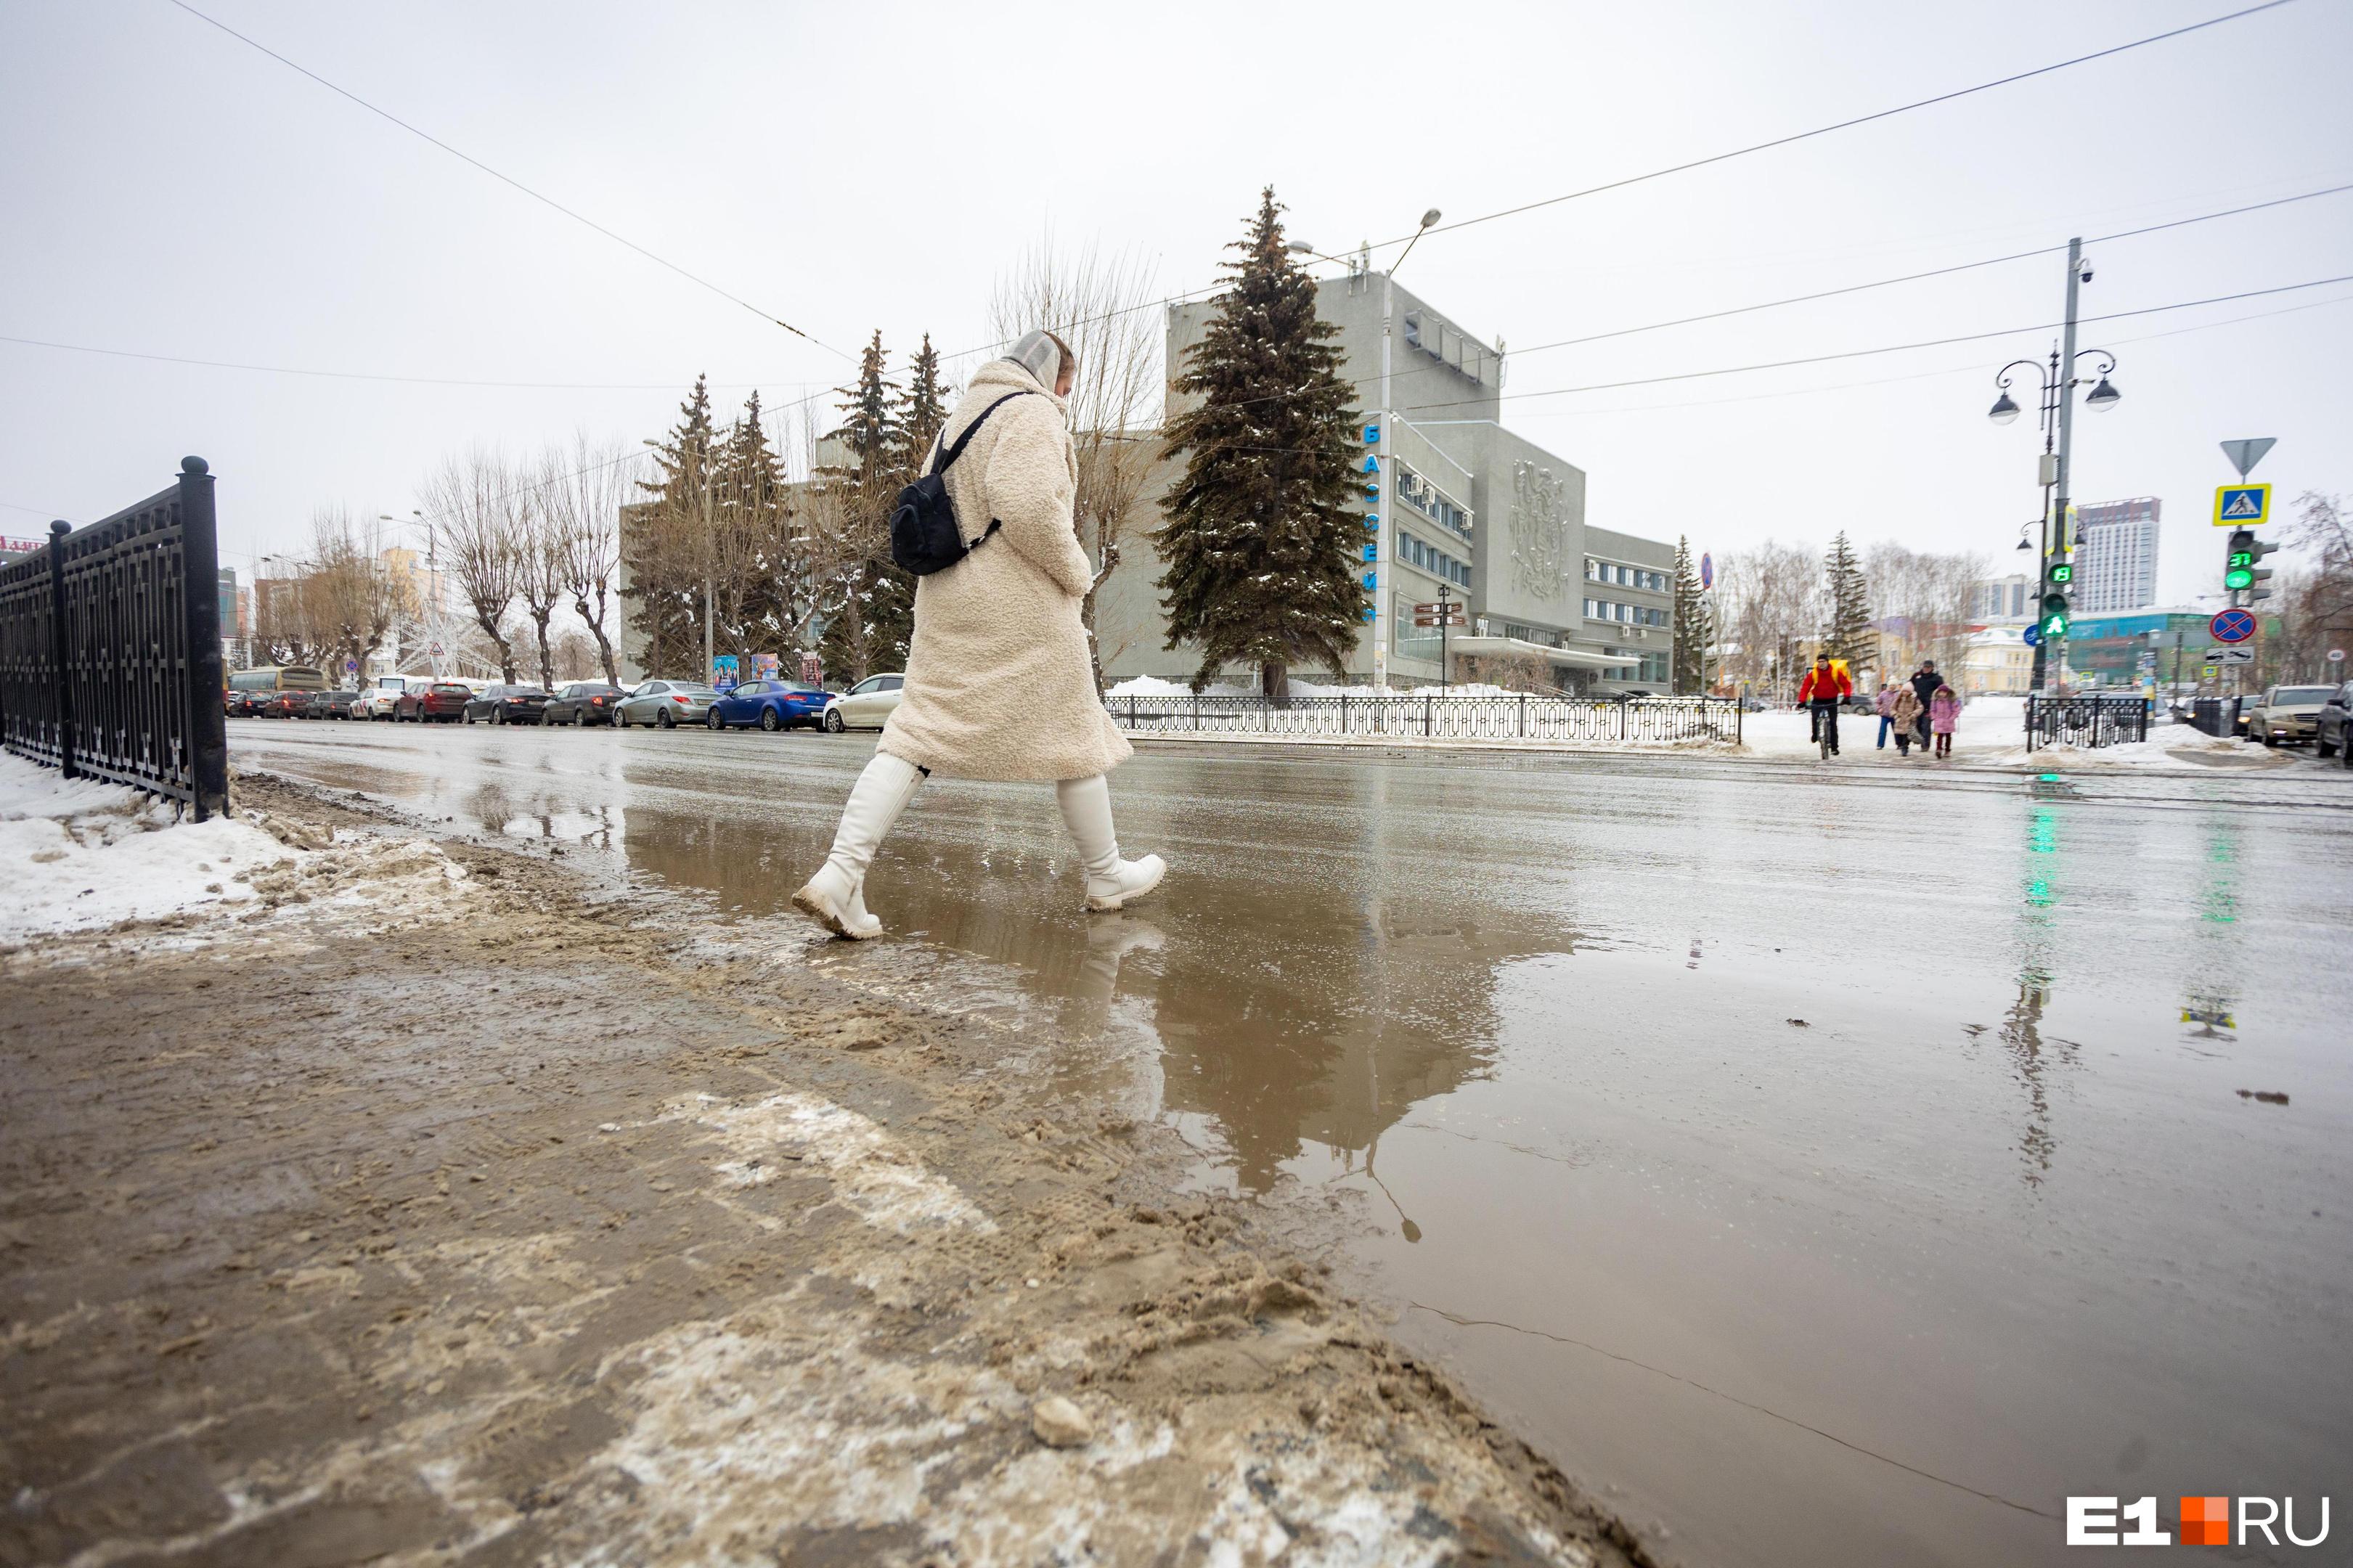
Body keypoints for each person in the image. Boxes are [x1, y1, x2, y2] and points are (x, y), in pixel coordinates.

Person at [793, 330, 1165, 939]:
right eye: (1068, 384)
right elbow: (1026, 504)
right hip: (1017, 606)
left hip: (946, 603)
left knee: (916, 732)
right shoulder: (1032, 411)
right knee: (1073, 729)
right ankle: (1104, 876)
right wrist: (1076, 573)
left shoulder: (956, 423)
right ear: (1055, 375)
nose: (1067, 395)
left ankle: (840, 875)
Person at [1796, 654, 1851, 755]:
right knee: (1814, 718)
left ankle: (1834, 747)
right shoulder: (1814, 674)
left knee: (1833, 723)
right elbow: (1806, 687)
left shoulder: (1835, 672)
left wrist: (1847, 697)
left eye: (1823, 661)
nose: (1821, 664)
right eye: (1819, 662)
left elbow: (1846, 684)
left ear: (1827, 662)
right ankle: (1815, 734)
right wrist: (1802, 701)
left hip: (1832, 699)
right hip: (1817, 699)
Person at [1909, 660, 1944, 753]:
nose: (1926, 668)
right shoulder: (1916, 676)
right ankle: (1919, 740)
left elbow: (1942, 691)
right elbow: (1909, 686)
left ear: (1932, 668)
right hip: (1916, 706)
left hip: (1929, 707)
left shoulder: (1937, 678)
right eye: (1925, 667)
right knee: (1917, 726)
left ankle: (1925, 745)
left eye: (1929, 667)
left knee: (1926, 726)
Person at [1889, 682, 1922, 756]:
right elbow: (1892, 708)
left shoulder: (1914, 699)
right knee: (1898, 737)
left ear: (1910, 692)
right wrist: (1895, 714)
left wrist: (1914, 714)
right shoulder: (1898, 699)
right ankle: (1900, 745)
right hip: (1899, 720)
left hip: (1909, 721)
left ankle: (1905, 748)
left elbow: (1920, 708)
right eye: (1904, 691)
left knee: (1906, 737)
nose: (1905, 693)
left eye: (1907, 691)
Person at [1929, 682, 1960, 759]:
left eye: (1944, 692)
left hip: (1948, 722)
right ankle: (1939, 750)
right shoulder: (1936, 701)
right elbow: (1932, 710)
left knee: (1948, 737)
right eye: (1941, 692)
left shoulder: (1951, 701)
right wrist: (1934, 717)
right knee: (1939, 736)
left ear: (1947, 693)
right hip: (1939, 722)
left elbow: (1956, 710)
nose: (1942, 694)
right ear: (1938, 692)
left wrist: (1951, 718)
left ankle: (1947, 750)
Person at [1874, 682, 1898, 748]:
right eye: (1891, 685)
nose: (1892, 686)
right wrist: (1879, 708)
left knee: (1897, 731)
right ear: (1889, 686)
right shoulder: (1883, 694)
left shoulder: (1898, 694)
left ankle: (1899, 744)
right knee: (1882, 731)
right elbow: (1877, 702)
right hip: (1885, 715)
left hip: (1894, 715)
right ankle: (1880, 745)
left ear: (1895, 686)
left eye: (1893, 685)